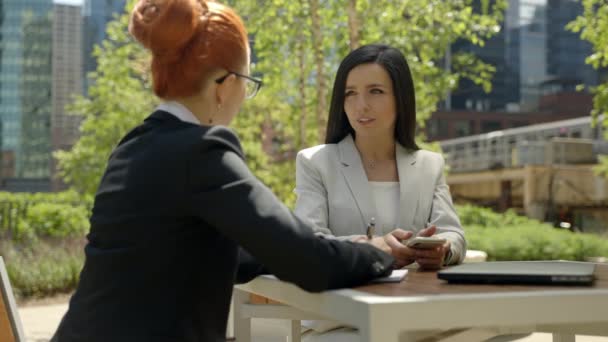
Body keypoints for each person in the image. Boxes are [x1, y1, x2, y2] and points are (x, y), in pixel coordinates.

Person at [51, 2, 395, 342]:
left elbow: (203, 251)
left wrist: (335, 247)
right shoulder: (203, 151)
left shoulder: (133, 146)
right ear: (225, 85)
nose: (245, 95)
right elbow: (308, 263)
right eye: (248, 81)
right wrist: (382, 254)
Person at [294, 44, 466, 340]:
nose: (361, 105)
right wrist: (371, 248)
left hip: (415, 313)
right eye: (350, 93)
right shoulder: (315, 162)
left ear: (401, 98)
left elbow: (454, 234)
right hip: (340, 317)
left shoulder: (429, 164)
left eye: (375, 91)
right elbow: (309, 242)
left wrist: (443, 250)